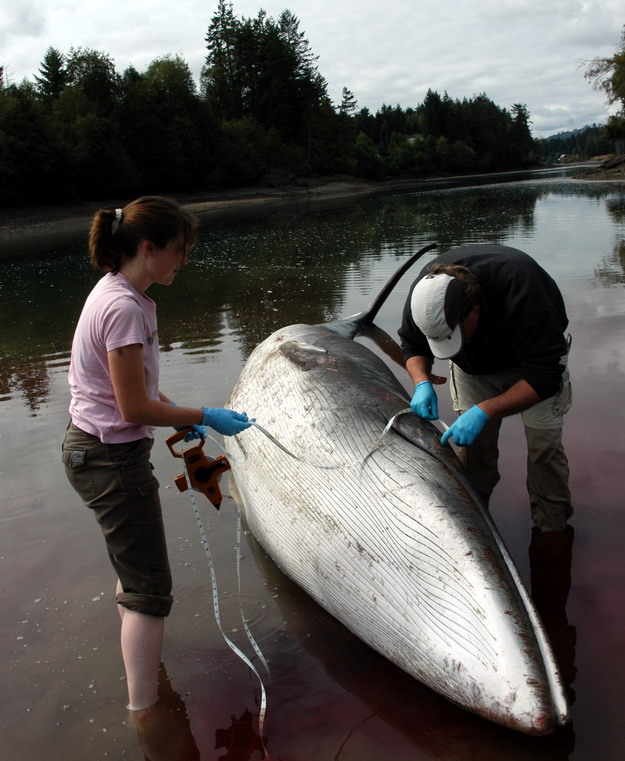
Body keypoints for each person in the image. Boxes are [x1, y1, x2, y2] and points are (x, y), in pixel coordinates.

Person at [61, 196, 252, 724]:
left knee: (135, 569)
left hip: (98, 452)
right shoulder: (122, 307)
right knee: (150, 591)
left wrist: (175, 413)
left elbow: (142, 393)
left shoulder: (122, 295)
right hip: (108, 460)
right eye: (178, 250)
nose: (184, 261)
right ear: (148, 248)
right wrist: (207, 414)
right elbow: (132, 406)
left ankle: (142, 667)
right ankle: (144, 711)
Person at [398, 243, 572, 534]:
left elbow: (545, 377)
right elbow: (412, 346)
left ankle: (552, 534)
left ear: (474, 309)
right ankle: (474, 529)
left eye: (456, 333)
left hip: (532, 365)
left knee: (544, 452)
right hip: (471, 368)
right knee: (473, 454)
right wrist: (422, 382)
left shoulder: (524, 290)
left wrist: (486, 410)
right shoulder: (424, 298)